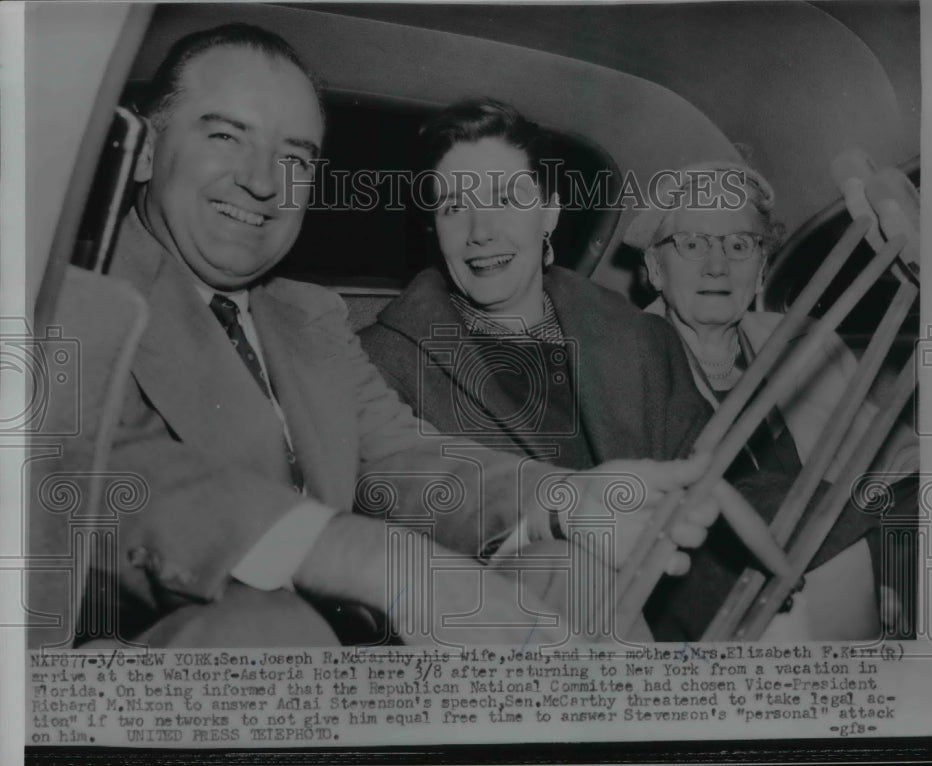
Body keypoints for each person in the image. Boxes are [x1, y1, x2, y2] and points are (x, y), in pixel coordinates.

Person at [59, 27, 726, 648]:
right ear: (144, 149)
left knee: (565, 569)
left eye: (293, 157)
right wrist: (364, 557)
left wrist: (564, 501)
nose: (262, 181)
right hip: (200, 650)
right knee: (271, 630)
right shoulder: (61, 289)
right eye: (227, 137)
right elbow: (93, 472)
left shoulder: (305, 316)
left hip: (364, 649)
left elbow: (401, 462)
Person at [360, 99, 798, 640]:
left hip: (674, 609)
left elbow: (718, 474)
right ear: (434, 226)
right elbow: (384, 527)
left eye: (506, 199)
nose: (480, 231)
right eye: (454, 207)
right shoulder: (380, 361)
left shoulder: (638, 334)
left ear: (550, 212)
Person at [624, 161, 919, 638]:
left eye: (739, 245)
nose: (716, 265)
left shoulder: (805, 338)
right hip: (728, 601)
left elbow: (897, 462)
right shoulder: (625, 359)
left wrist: (893, 576)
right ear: (655, 269)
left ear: (762, 269)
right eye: (693, 244)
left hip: (855, 563)